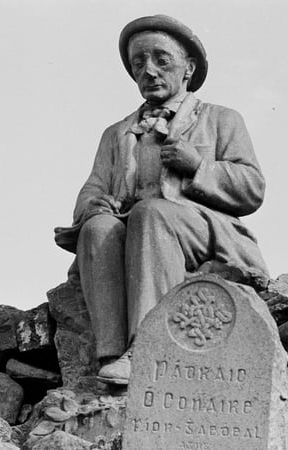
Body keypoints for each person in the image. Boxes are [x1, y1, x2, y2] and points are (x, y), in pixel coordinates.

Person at [54, 14, 267, 385]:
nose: (149, 71)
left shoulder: (221, 119)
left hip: (200, 230)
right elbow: (92, 187)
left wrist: (198, 166)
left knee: (151, 213)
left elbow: (252, 187)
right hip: (135, 227)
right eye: (139, 64)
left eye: (161, 60)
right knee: (98, 228)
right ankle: (109, 352)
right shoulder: (116, 133)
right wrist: (93, 205)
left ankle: (146, 347)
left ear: (189, 67)